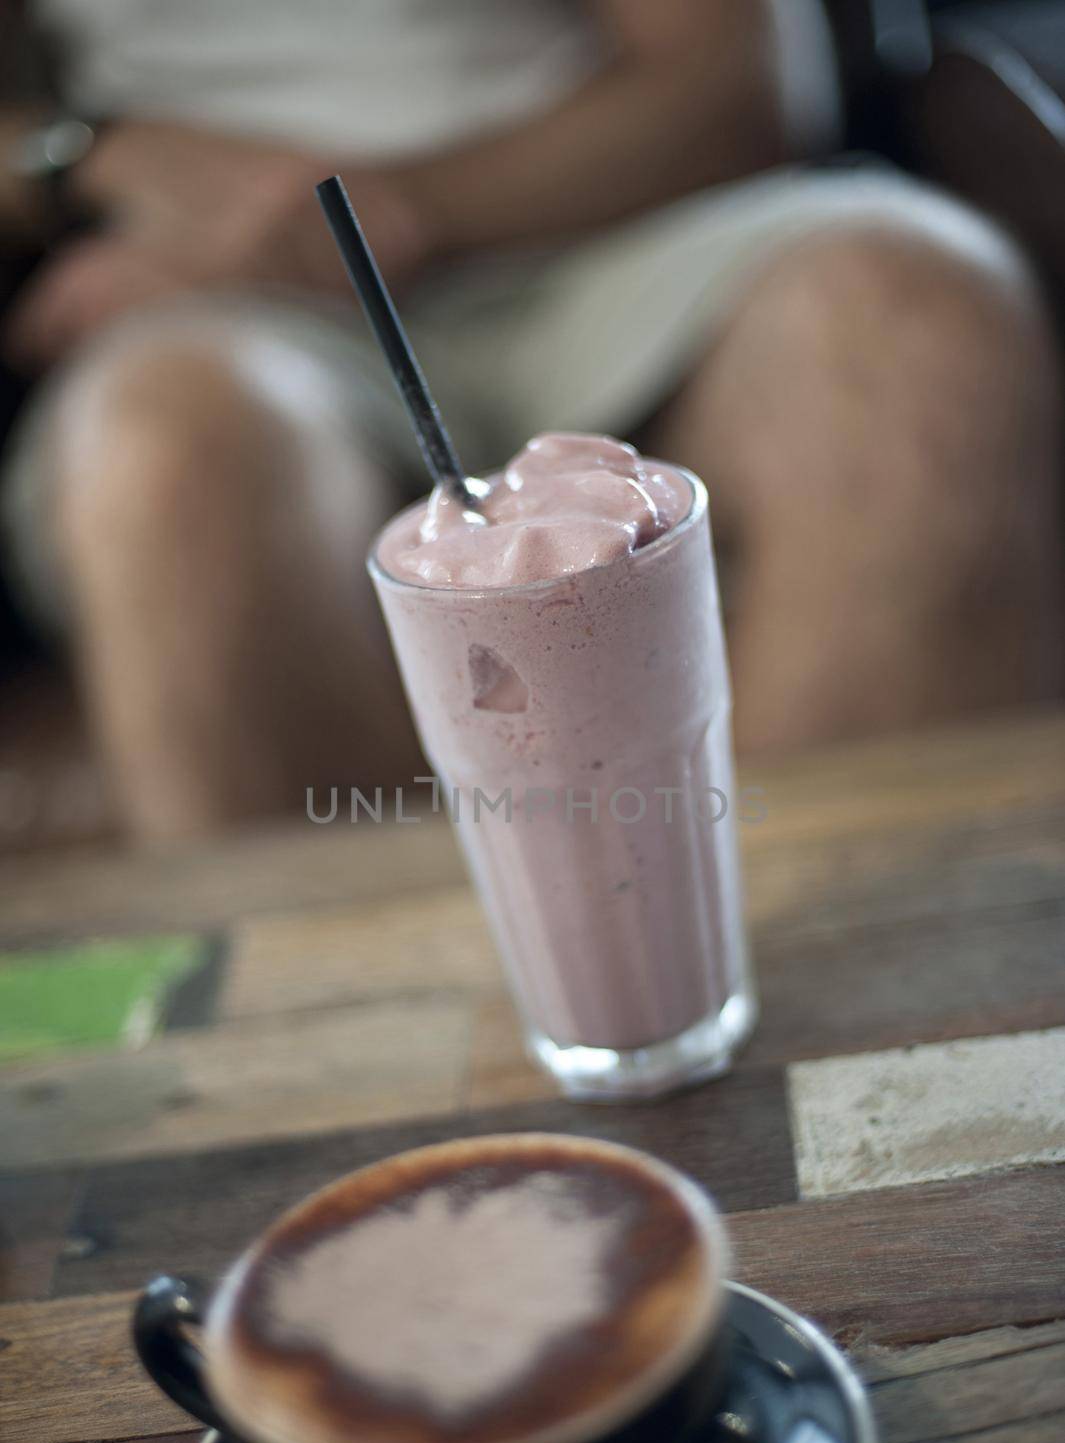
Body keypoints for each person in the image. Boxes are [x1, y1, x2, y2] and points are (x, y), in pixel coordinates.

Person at [0, 0, 1060, 840]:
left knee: (916, 320)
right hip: (214, 291)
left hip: (628, 217)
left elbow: (739, 82)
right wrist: (73, 155)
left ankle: (837, 1009)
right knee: (168, 452)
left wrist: (377, 211)